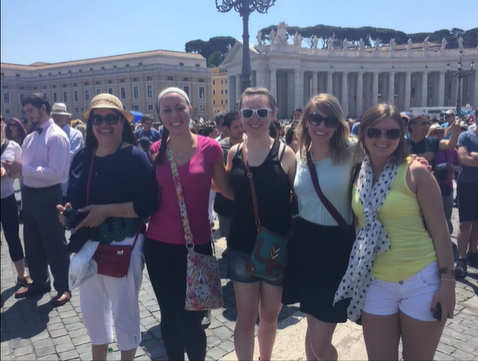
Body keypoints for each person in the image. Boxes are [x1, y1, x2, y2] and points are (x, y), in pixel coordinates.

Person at [336, 103, 455, 360]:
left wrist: (448, 283)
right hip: (376, 283)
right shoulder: (357, 172)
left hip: (421, 281)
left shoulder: (416, 171)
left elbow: (440, 231)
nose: (383, 139)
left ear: (401, 136)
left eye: (391, 133)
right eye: (375, 132)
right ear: (363, 134)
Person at [58, 93, 158, 361]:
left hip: (123, 244)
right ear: (91, 125)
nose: (104, 124)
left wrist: (108, 211)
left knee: (124, 311)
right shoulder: (82, 157)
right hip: (88, 245)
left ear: (122, 123)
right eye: (97, 119)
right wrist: (67, 213)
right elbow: (73, 198)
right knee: (92, 313)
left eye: (111, 118)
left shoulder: (135, 157)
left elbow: (148, 204)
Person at [145, 87, 231, 361]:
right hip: (158, 245)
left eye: (179, 108)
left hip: (198, 246)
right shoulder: (155, 150)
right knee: (169, 316)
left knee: (193, 319)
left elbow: (227, 189)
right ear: (160, 115)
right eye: (167, 110)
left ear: (190, 110)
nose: (174, 115)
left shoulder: (211, 148)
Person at [283, 93, 356, 361]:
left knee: (320, 341)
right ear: (305, 121)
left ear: (338, 124)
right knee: (311, 324)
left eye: (329, 120)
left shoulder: (353, 151)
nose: (321, 125)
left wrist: (413, 162)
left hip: (336, 248)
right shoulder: (300, 154)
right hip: (305, 246)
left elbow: (387, 154)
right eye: (315, 118)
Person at [225, 87, 296, 361]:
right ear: (240, 116)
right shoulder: (232, 153)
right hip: (241, 246)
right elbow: (229, 192)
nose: (255, 118)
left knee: (269, 315)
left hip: (276, 248)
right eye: (248, 112)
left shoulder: (287, 154)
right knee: (245, 317)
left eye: (262, 112)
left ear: (273, 115)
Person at [3, 93, 71, 306]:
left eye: (30, 111)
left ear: (43, 108)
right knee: (32, 242)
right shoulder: (31, 137)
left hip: (49, 195)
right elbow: (25, 169)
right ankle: (40, 282)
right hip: (29, 195)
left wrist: (23, 169)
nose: (28, 116)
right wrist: (14, 171)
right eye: (26, 112)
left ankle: (63, 286)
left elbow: (56, 172)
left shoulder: (56, 135)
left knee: (54, 242)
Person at [1, 118, 32, 287]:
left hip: (7, 197)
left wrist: (11, 172)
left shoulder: (13, 147)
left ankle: (22, 275)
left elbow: (21, 174)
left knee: (13, 237)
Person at [214, 111, 245, 258]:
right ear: (227, 128)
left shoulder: (251, 143)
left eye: (241, 126)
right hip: (226, 197)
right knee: (228, 230)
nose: (240, 130)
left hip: (245, 196)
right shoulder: (221, 147)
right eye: (236, 127)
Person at [454, 109, 478, 278]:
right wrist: (471, 157)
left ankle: (472, 253)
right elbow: (463, 159)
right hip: (468, 184)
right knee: (465, 223)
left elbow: (471, 160)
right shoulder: (466, 136)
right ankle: (461, 259)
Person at [428, 124, 459, 234]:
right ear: (430, 134)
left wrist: (452, 167)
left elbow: (459, 167)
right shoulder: (428, 147)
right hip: (430, 189)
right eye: (436, 132)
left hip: (447, 188)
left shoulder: (452, 150)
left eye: (442, 132)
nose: (440, 134)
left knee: (447, 217)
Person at [51, 103, 84, 202]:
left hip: (67, 185)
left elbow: (70, 158)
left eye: (60, 115)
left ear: (67, 117)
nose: (57, 118)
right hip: (51, 187)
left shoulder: (75, 134)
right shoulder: (48, 134)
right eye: (55, 115)